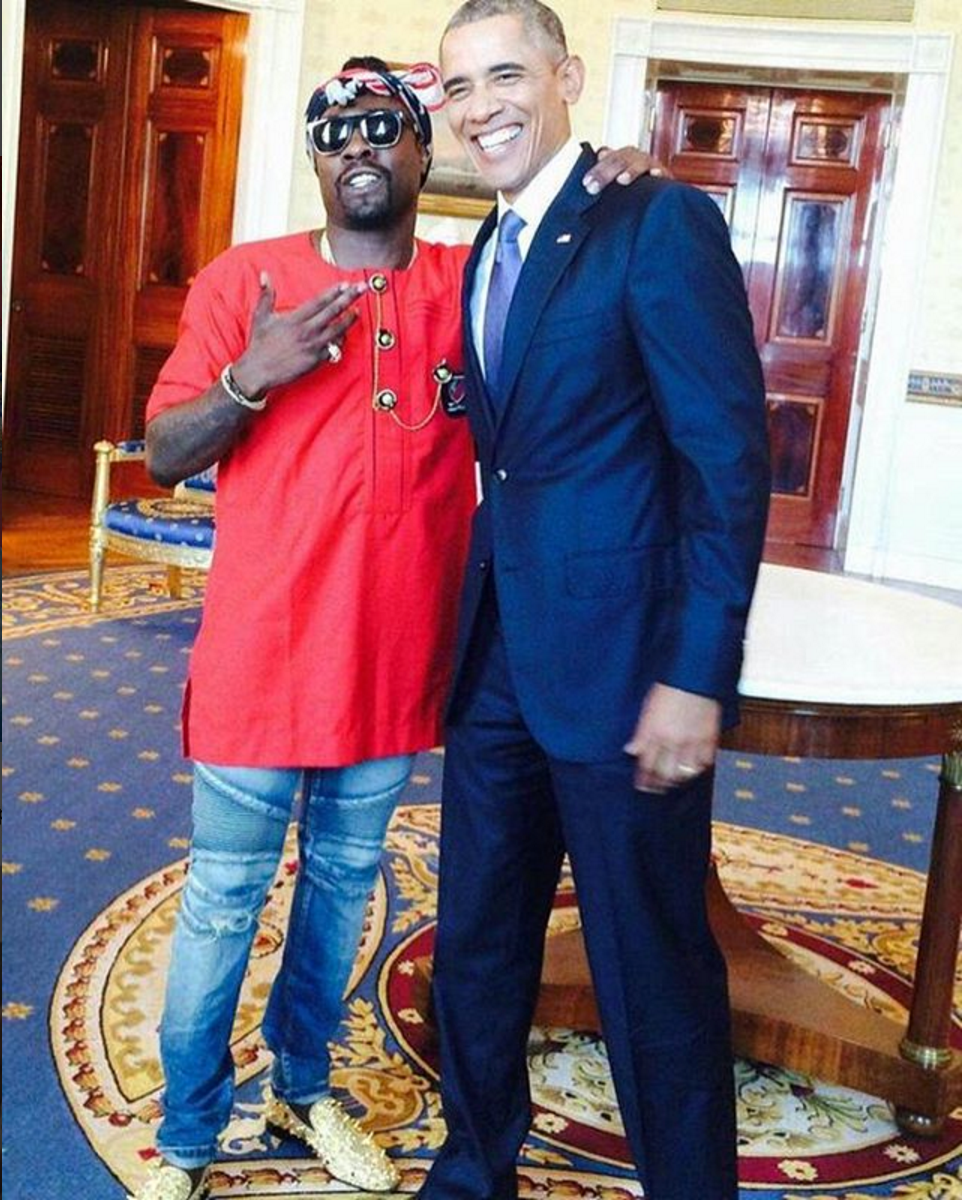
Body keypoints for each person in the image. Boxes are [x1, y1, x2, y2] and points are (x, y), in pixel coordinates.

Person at [129, 52, 658, 1200]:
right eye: (334, 134)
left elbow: (590, 293)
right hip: (260, 668)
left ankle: (303, 1085)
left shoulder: (471, 284)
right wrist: (251, 377)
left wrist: (616, 183)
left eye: (382, 127)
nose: (357, 147)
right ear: (315, 162)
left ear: (424, 152)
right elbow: (163, 452)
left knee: (339, 897)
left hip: (391, 676)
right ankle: (186, 1135)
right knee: (221, 909)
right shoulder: (242, 280)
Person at [421, 3, 772, 1199]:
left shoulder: (654, 220)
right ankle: (474, 1171)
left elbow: (725, 465)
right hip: (496, 664)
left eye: (505, 75)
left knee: (649, 969)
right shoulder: (487, 243)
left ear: (566, 77)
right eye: (459, 87)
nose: (481, 108)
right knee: (476, 948)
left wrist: (696, 674)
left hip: (626, 676)